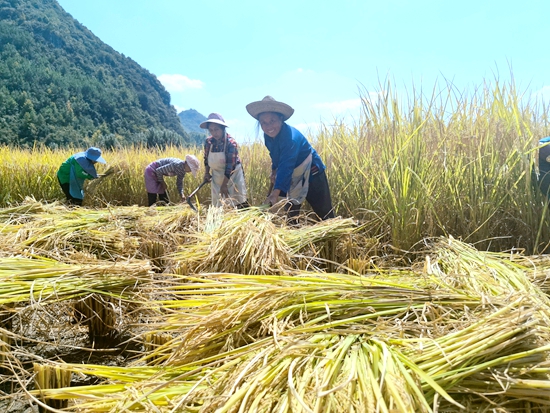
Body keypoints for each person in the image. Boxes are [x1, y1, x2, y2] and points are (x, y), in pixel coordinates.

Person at [245, 96, 335, 221]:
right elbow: (276, 157)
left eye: (272, 121)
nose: (268, 126)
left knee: (325, 213)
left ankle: (344, 232)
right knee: (291, 215)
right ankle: (295, 234)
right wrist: (274, 171)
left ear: (281, 119)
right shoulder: (268, 137)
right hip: (293, 177)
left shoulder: (290, 139)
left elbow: (286, 165)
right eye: (263, 123)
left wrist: (275, 194)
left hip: (312, 173)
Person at [200, 113, 249, 208]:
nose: (214, 133)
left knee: (238, 202)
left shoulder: (231, 143)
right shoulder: (209, 142)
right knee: (218, 205)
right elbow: (206, 159)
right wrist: (206, 173)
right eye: (211, 130)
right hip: (217, 177)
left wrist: (224, 184)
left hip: (233, 176)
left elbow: (230, 166)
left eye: (217, 129)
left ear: (223, 128)